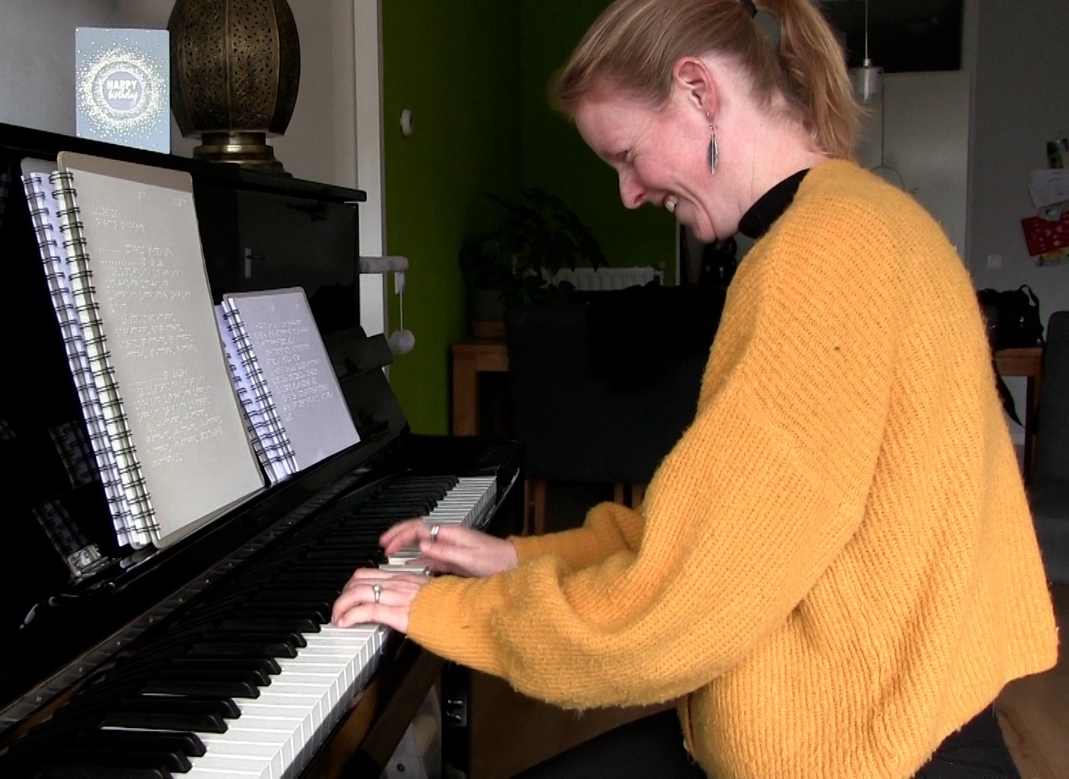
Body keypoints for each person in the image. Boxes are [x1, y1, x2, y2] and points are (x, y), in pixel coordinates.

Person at [331, 0, 1059, 776]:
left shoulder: (823, 253)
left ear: (699, 92)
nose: (627, 194)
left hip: (866, 747)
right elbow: (714, 533)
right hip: (884, 718)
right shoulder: (867, 221)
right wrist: (522, 560)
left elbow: (676, 612)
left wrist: (448, 610)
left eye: (625, 154)